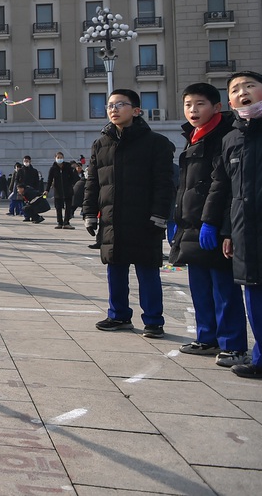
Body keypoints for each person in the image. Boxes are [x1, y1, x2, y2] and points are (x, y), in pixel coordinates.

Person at [83, 89, 175, 339]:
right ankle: (119, 315)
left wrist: (159, 215)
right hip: (112, 219)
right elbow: (93, 182)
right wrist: (90, 212)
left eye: (120, 104)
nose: (113, 109)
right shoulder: (101, 144)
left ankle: (154, 320)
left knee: (147, 271)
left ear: (136, 110)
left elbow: (164, 184)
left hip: (145, 219)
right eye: (110, 105)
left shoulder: (156, 143)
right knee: (115, 269)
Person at [170, 83, 247, 367]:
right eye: (188, 104)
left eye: (200, 104)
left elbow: (225, 186)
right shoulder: (193, 136)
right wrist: (176, 221)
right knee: (200, 285)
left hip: (212, 224)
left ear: (217, 107)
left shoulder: (225, 137)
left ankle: (233, 345)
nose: (193, 110)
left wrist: (219, 225)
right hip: (191, 225)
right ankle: (207, 337)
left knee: (223, 287)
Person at [202, 71, 262, 378]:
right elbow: (225, 189)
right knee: (253, 295)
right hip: (244, 231)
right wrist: (223, 229)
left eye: (249, 86)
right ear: (229, 101)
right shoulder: (231, 139)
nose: (243, 92)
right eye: (235, 89)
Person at [47, 151, 77, 229]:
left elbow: (73, 177)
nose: (59, 159)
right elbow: (49, 180)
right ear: (55, 158)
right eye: (58, 157)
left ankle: (66, 222)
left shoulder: (68, 167)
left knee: (68, 207)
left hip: (68, 190)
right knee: (58, 207)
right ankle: (59, 222)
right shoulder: (53, 168)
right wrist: (47, 190)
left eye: (61, 157)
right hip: (58, 190)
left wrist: (70, 184)